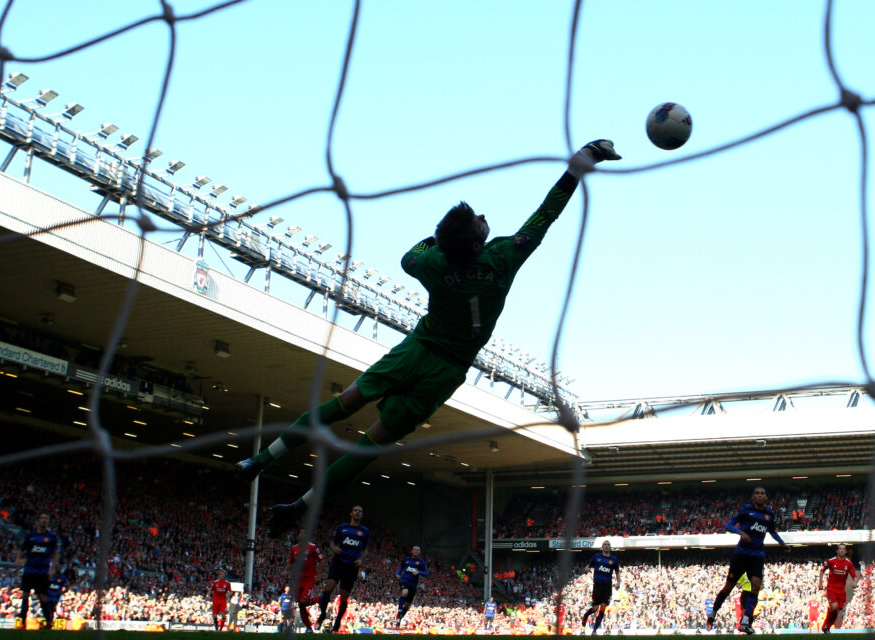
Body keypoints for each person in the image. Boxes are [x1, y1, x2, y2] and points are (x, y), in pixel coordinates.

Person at [234, 140, 622, 537]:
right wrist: (580, 165)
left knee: (344, 403)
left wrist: (434, 241)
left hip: (415, 350)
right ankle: (298, 507)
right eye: (479, 222)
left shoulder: (434, 263)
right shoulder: (504, 257)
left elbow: (409, 258)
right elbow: (546, 214)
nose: (484, 217)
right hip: (446, 370)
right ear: (476, 245)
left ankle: (262, 459)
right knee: (369, 445)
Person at [706, 487, 789, 634]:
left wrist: (782, 543)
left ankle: (745, 622)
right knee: (728, 588)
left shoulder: (769, 514)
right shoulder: (746, 510)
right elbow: (728, 525)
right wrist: (741, 532)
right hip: (741, 555)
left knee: (756, 587)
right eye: (757, 493)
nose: (760, 495)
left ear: (766, 497)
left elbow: (772, 531)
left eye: (762, 493)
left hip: (757, 556)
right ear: (753, 497)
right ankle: (713, 613)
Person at [316, 505, 370, 633]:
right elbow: (332, 542)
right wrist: (334, 548)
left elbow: (365, 549)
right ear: (351, 513)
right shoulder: (343, 528)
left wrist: (361, 560)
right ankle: (322, 614)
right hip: (338, 562)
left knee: (344, 597)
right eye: (355, 510)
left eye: (360, 511)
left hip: (352, 566)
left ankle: (338, 621)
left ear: (362, 515)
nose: (357, 513)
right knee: (328, 587)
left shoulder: (365, 531)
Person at [15, 512, 58, 629]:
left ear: (48, 521)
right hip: (29, 569)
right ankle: (22, 622)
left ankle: (49, 622)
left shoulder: (52, 536)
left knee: (42, 597)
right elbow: (21, 548)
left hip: (43, 570)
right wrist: (18, 559)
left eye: (46, 518)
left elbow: (55, 553)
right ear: (39, 520)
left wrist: (52, 568)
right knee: (25, 594)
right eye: (42, 518)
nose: (44, 520)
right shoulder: (31, 535)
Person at [580, 539, 621, 634]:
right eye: (605, 544)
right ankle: (586, 616)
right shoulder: (596, 557)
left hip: (607, 587)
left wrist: (618, 582)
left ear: (610, 547)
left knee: (603, 608)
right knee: (595, 609)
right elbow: (588, 566)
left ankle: (594, 630)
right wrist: (586, 569)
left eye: (608, 544)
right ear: (602, 547)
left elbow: (617, 572)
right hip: (597, 586)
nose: (606, 546)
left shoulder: (614, 559)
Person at [288, 528, 325, 632]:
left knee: (304, 601)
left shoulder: (313, 547)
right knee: (301, 604)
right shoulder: (294, 548)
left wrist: (319, 575)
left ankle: (320, 598)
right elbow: (291, 562)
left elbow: (322, 561)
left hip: (309, 578)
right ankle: (309, 628)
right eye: (300, 533)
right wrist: (286, 571)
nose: (302, 535)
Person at [818, 543, 856, 633]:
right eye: (840, 549)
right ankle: (825, 625)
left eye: (843, 549)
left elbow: (854, 575)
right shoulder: (831, 561)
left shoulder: (849, 564)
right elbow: (822, 570)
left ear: (846, 551)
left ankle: (827, 627)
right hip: (832, 588)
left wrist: (854, 582)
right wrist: (820, 583)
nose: (842, 550)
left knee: (836, 611)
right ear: (837, 551)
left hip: (841, 590)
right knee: (834, 607)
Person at [394, 545, 429, 627]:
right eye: (415, 549)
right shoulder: (406, 559)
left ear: (419, 552)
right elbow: (401, 567)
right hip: (405, 580)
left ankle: (400, 618)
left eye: (418, 550)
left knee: (407, 604)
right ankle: (399, 613)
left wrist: (419, 572)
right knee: (404, 593)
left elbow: (426, 573)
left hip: (413, 584)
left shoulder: (422, 562)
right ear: (411, 551)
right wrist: (397, 574)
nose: (416, 551)